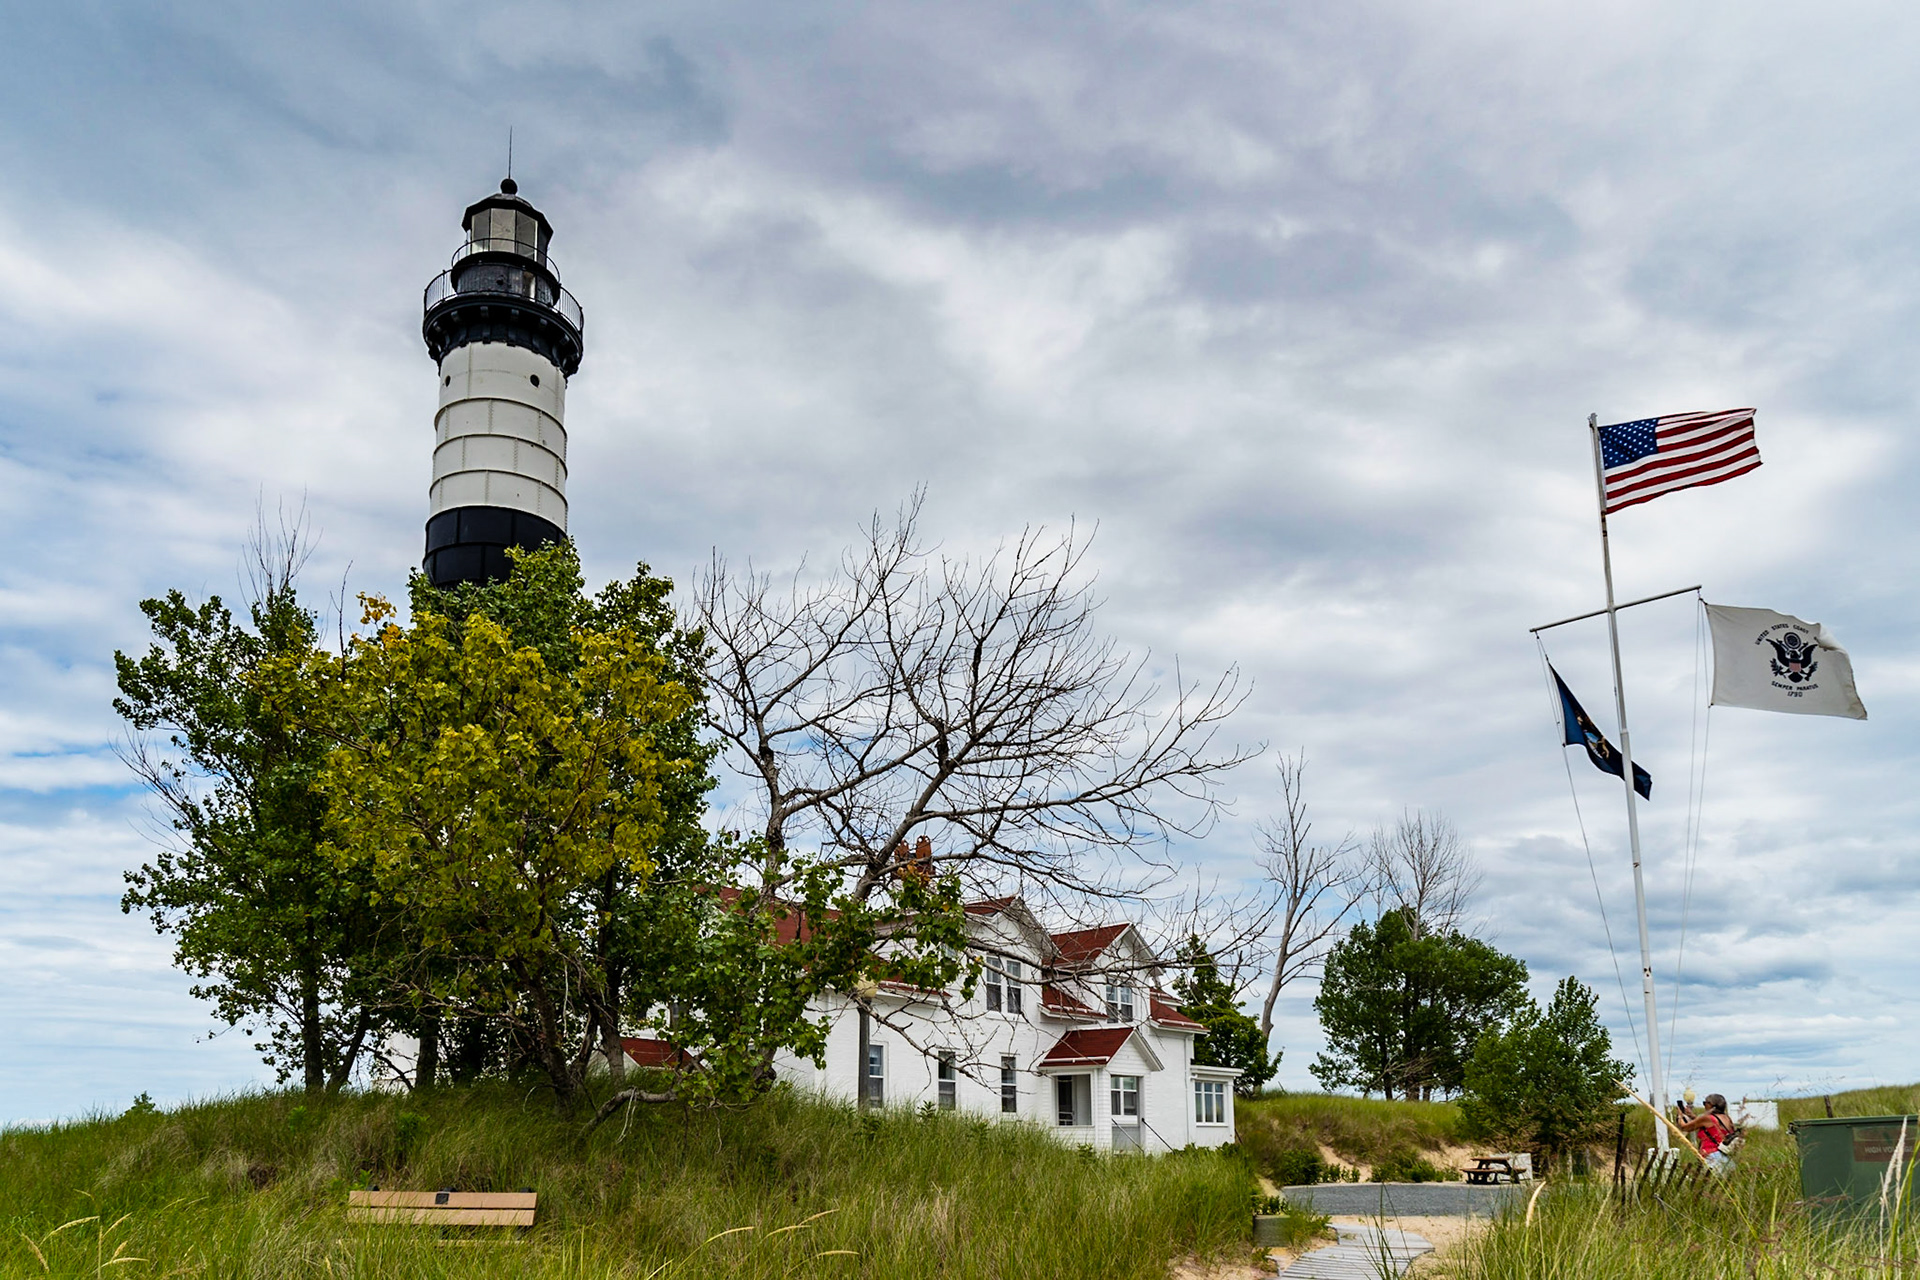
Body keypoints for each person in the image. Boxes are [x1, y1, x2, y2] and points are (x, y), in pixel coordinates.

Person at [1677, 1093, 1739, 1172]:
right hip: (1726, 1157)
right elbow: (1710, 1126)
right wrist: (1692, 1116)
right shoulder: (1726, 1118)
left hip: (1712, 1156)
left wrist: (1680, 1115)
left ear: (1711, 1104)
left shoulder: (1707, 1118)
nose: (1704, 1106)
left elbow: (1684, 1127)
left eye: (1705, 1103)